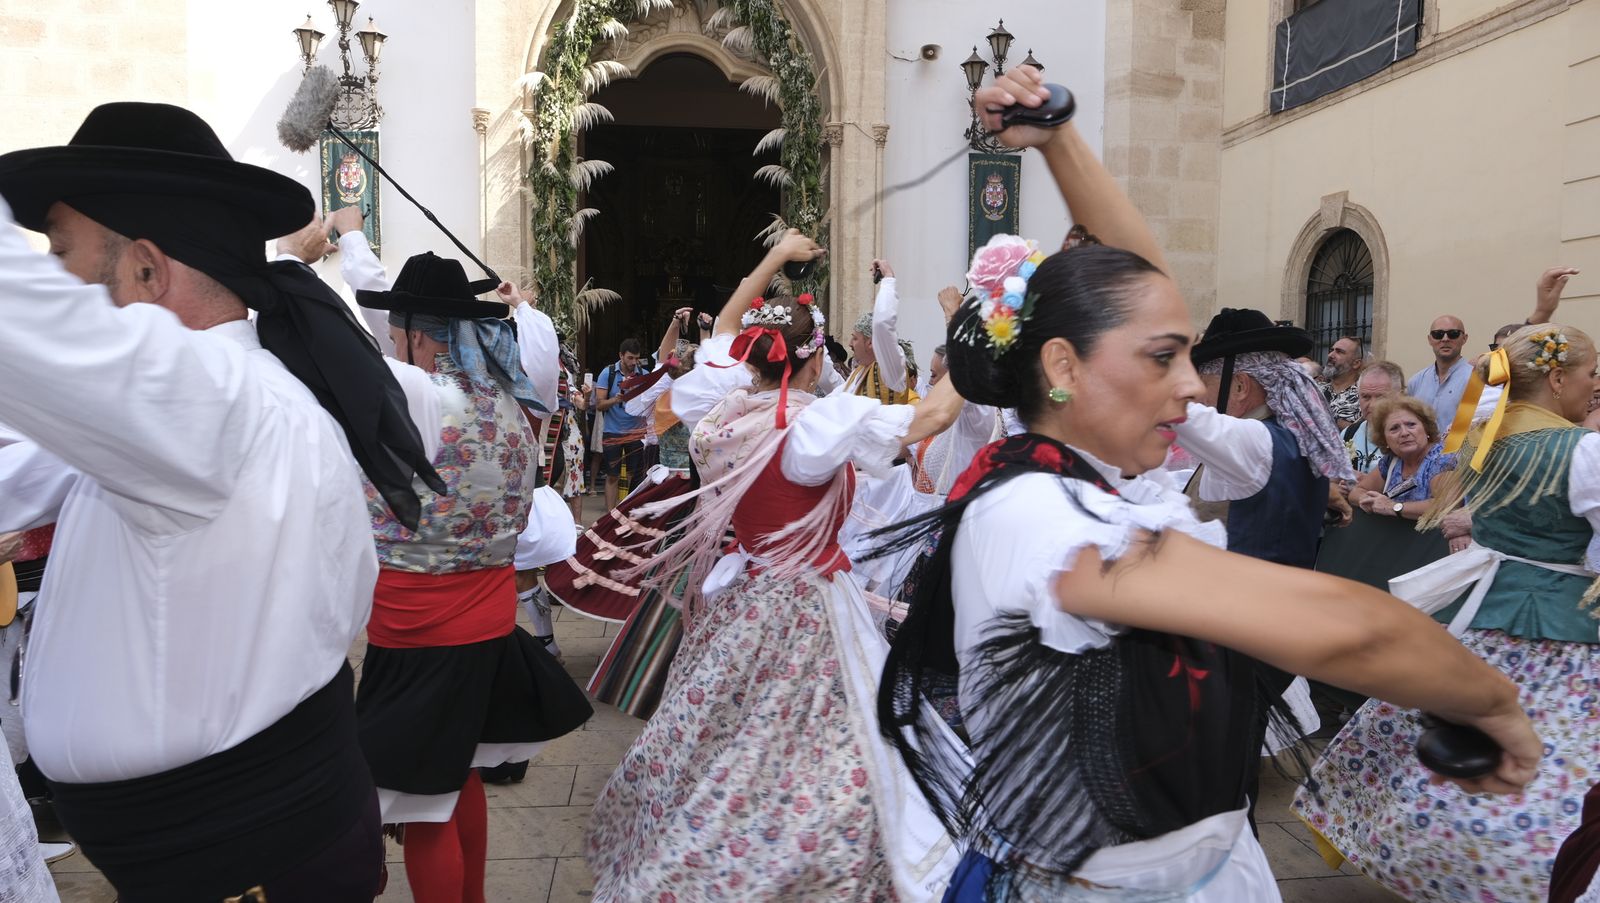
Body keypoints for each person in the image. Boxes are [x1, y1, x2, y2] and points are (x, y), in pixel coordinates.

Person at [874, 63, 1541, 903]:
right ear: (1061, 367)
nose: (1191, 387)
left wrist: (1060, 143)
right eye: (1165, 360)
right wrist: (1493, 701)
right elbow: (1348, 631)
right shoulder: (1042, 520)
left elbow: (1145, 288)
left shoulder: (1090, 480)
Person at [0, 102, 448, 901]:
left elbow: (21, 328)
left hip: (242, 866)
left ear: (145, 269)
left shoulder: (210, 407)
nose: (51, 277)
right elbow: (33, 468)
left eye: (60, 254)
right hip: (243, 849)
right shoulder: (211, 412)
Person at [586, 230, 967, 901]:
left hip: (737, 601)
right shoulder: (812, 425)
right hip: (805, 611)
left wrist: (773, 260)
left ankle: (712, 843)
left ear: (753, 357)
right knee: (821, 751)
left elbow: (730, 327)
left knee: (730, 738)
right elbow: (931, 414)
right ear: (814, 355)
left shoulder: (719, 408)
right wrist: (977, 330)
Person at [1296, 323, 1600, 901]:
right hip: (1560, 622)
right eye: (1589, 373)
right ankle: (1518, 872)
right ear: (1558, 378)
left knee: (1446, 732)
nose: (1594, 384)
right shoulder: (1582, 450)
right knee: (1549, 751)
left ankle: (1424, 849)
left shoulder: (1487, 435)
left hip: (1485, 606)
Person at [350, 251, 592, 903]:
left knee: (425, 807)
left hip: (418, 633)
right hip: (488, 624)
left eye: (397, 332)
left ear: (419, 335)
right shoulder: (509, 401)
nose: (394, 345)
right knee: (460, 781)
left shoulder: (412, 400)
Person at [1345, 395, 1454, 520]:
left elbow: (1446, 504)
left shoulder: (1442, 458)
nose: (1404, 433)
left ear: (1426, 429)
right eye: (1394, 428)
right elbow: (1356, 492)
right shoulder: (1391, 460)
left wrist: (1394, 507)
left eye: (1411, 425)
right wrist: (1367, 499)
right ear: (1384, 439)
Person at [845, 259, 920, 404]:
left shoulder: (891, 371)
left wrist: (888, 280)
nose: (850, 344)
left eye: (855, 338)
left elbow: (882, 324)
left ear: (871, 343)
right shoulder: (858, 372)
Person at [594, 339, 647, 509]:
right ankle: (610, 514)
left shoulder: (644, 375)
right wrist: (615, 399)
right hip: (612, 431)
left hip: (636, 432)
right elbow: (599, 405)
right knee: (612, 476)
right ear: (621, 356)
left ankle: (625, 511)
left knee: (633, 475)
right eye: (630, 358)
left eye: (637, 359)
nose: (634, 363)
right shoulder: (607, 373)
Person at [1406, 315, 1473, 433]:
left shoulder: (1476, 379)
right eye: (1438, 334)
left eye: (1453, 334)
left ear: (1464, 338)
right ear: (1430, 339)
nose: (1445, 339)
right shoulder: (1416, 382)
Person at [1342, 360, 1406, 472]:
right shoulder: (1348, 434)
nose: (1372, 405)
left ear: (1400, 396)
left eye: (1380, 397)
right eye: (1366, 397)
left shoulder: (1409, 436)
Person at [1319, 335, 1364, 429]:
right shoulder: (1315, 390)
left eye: (1339, 352)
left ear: (1356, 363)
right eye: (1332, 350)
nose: (1330, 355)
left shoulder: (1364, 396)